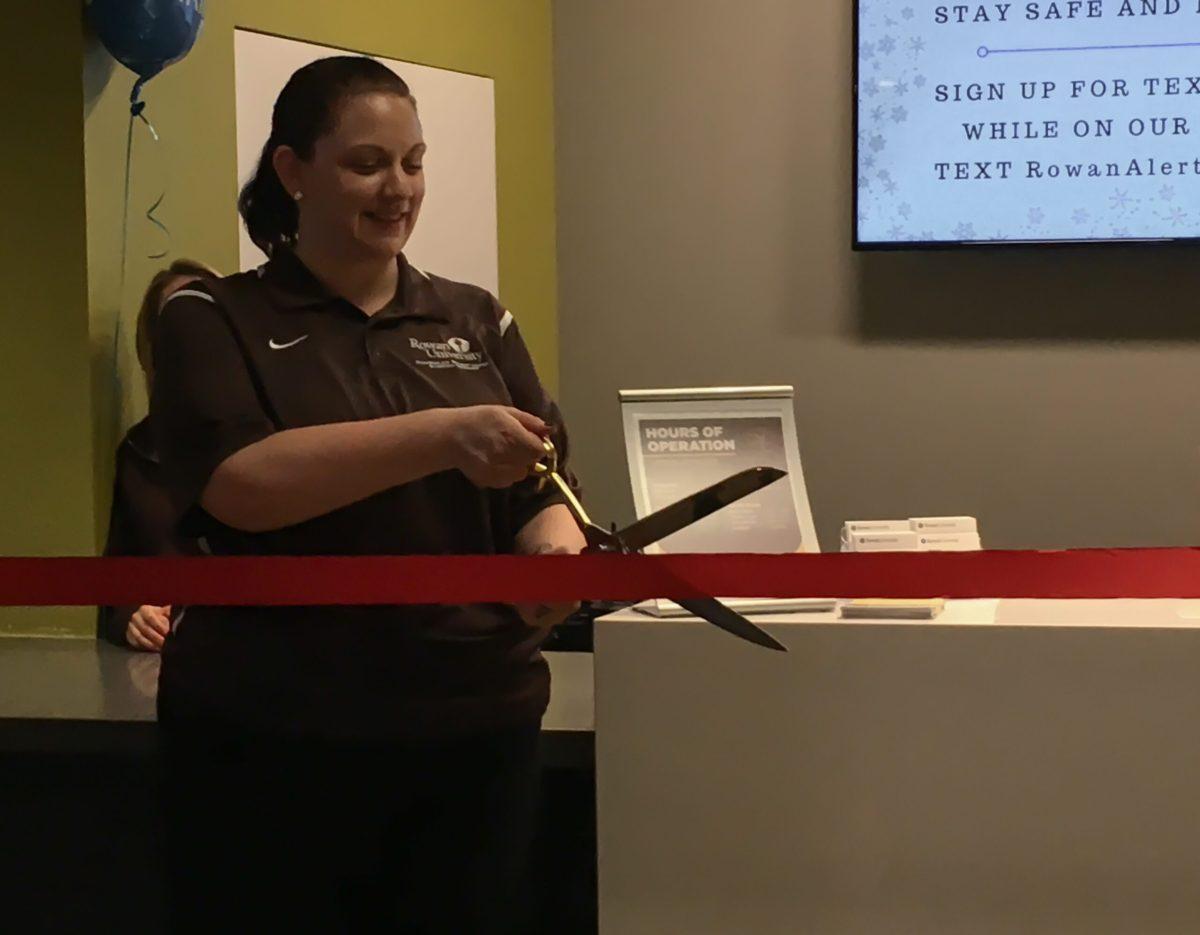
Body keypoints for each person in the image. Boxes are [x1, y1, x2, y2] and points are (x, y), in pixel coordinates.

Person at [150, 56, 585, 934]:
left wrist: (554, 551)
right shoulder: (210, 317)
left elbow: (547, 483)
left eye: (414, 162)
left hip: (475, 728)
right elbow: (241, 486)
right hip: (277, 737)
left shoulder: (475, 319)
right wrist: (446, 434)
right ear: (291, 171)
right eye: (367, 164)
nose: (399, 189)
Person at [98, 259, 218, 651]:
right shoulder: (139, 452)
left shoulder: (273, 437)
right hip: (165, 665)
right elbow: (114, 586)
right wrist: (133, 616)